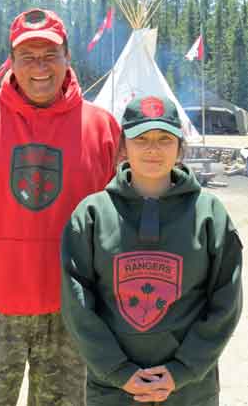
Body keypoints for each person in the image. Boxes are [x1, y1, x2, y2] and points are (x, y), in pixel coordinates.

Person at [0, 8, 120, 406]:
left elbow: (117, 223)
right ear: (12, 62)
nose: (39, 67)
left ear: (67, 58)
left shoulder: (102, 128)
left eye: (49, 55)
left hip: (73, 311)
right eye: (28, 57)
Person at [61, 95, 243, 406]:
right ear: (123, 147)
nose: (153, 149)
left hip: (188, 390)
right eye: (141, 138)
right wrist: (119, 371)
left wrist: (181, 370)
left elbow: (225, 303)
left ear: (179, 146)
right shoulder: (92, 215)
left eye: (164, 139)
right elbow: (78, 306)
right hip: (114, 390)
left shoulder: (208, 214)